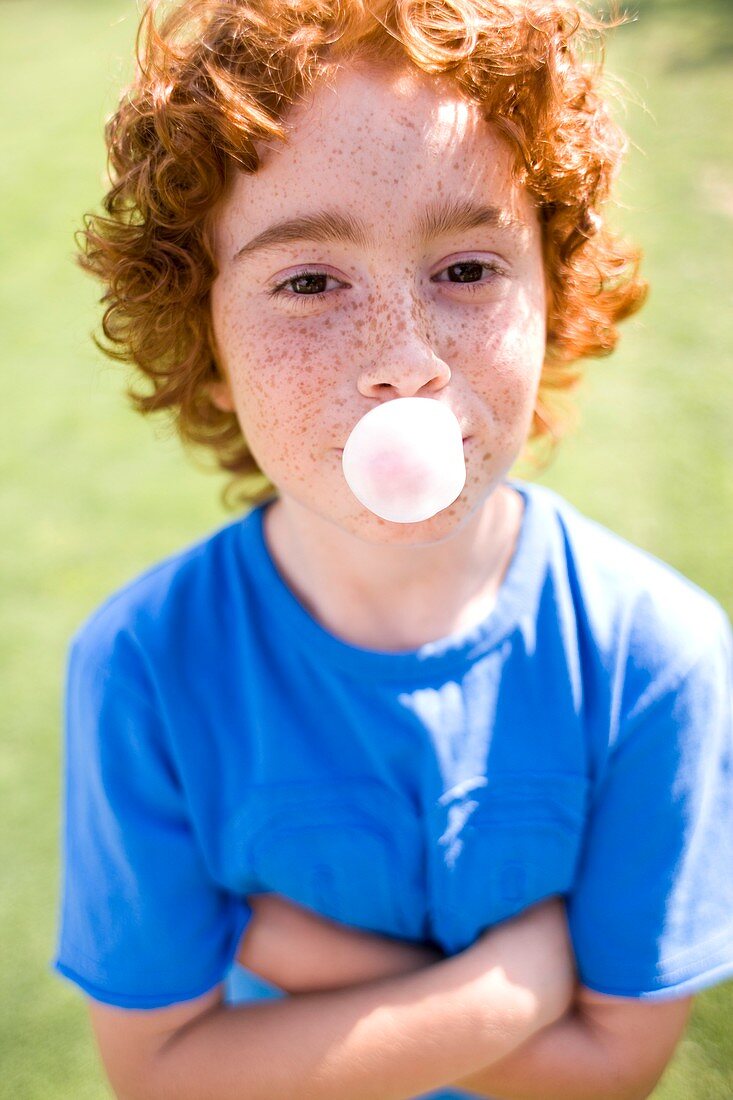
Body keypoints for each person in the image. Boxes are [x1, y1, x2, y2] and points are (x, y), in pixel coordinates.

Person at [51, 0, 733, 1097]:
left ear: (552, 296)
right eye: (310, 281)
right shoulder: (145, 666)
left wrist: (295, 946)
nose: (405, 361)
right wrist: (524, 971)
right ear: (207, 343)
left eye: (466, 269)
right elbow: (162, 1072)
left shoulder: (654, 657)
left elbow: (614, 1065)